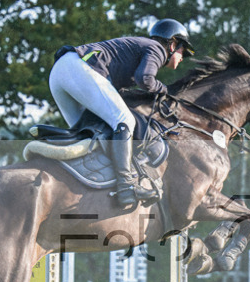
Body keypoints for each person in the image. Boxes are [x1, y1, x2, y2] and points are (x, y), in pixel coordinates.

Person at [49, 18, 195, 208]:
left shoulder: (139, 48)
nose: (183, 57)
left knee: (86, 133)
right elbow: (145, 79)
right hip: (78, 68)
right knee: (124, 120)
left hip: (60, 72)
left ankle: (83, 186)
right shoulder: (157, 48)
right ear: (172, 43)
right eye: (183, 50)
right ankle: (126, 186)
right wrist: (165, 91)